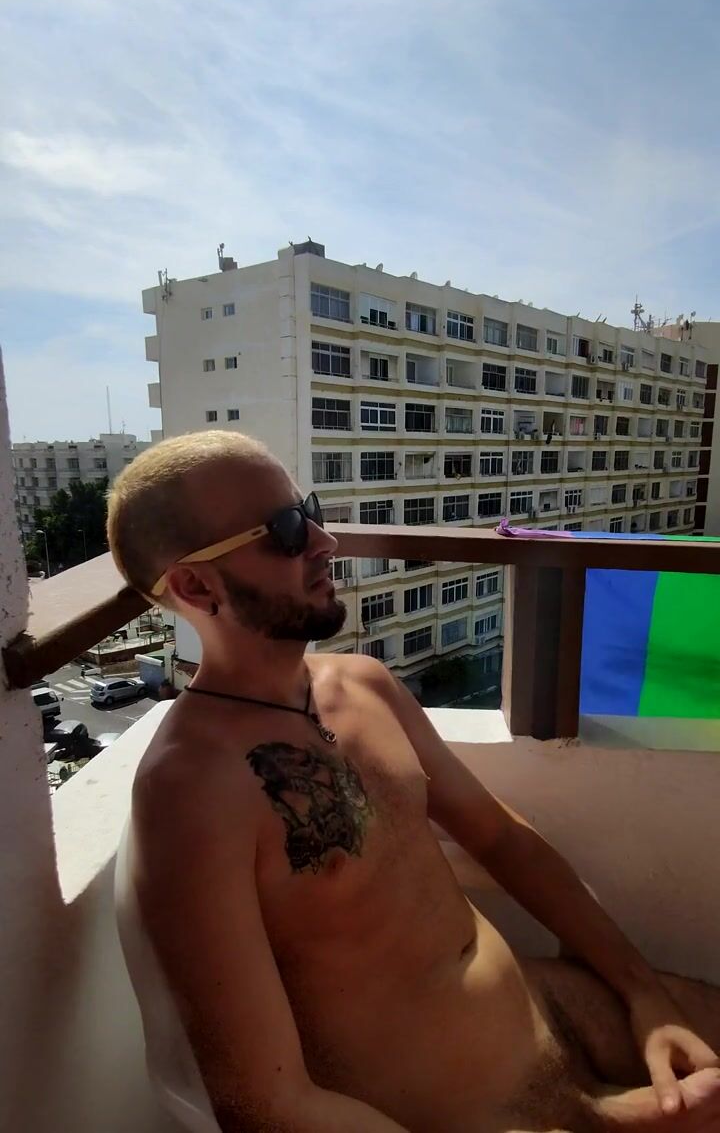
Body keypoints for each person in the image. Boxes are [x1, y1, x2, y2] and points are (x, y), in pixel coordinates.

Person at [107, 430, 720, 1133]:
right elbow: (263, 1105)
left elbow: (501, 839)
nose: (325, 541)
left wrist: (644, 996)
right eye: (284, 531)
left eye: (309, 510)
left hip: (550, 1013)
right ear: (194, 585)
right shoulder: (191, 793)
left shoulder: (362, 685)